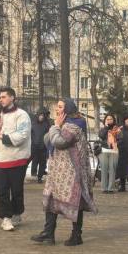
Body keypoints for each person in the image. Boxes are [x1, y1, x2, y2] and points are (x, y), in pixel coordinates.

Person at [31, 99, 97, 246]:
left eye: (60, 107)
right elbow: (47, 140)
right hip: (57, 171)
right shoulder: (61, 124)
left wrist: (55, 127)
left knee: (75, 202)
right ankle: (48, 234)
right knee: (51, 199)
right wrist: (56, 127)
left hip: (72, 172)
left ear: (68, 109)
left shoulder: (75, 125)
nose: (57, 109)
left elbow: (60, 142)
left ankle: (76, 235)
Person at [0, 87, 31, 231]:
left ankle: (17, 212)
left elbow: (23, 135)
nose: (1, 99)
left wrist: (3, 137)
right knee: (2, 190)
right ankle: (6, 218)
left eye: (4, 97)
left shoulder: (22, 115)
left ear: (12, 98)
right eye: (0, 97)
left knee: (17, 190)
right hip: (1, 159)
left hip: (17, 158)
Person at [98, 114, 120, 194]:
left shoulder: (117, 129)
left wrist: (116, 143)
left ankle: (111, 188)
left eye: (111, 119)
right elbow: (101, 136)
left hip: (114, 151)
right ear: (105, 120)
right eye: (107, 119)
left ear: (113, 120)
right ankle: (104, 188)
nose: (109, 120)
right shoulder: (103, 128)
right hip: (104, 150)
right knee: (104, 169)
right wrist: (106, 127)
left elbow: (121, 138)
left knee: (112, 169)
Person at [30, 109, 52, 183]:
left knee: (42, 163)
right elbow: (30, 134)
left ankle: (40, 177)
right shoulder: (33, 124)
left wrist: (46, 144)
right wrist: (32, 142)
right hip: (34, 146)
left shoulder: (46, 125)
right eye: (40, 115)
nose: (41, 117)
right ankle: (33, 172)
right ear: (37, 115)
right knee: (35, 160)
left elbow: (49, 135)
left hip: (43, 147)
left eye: (42, 115)